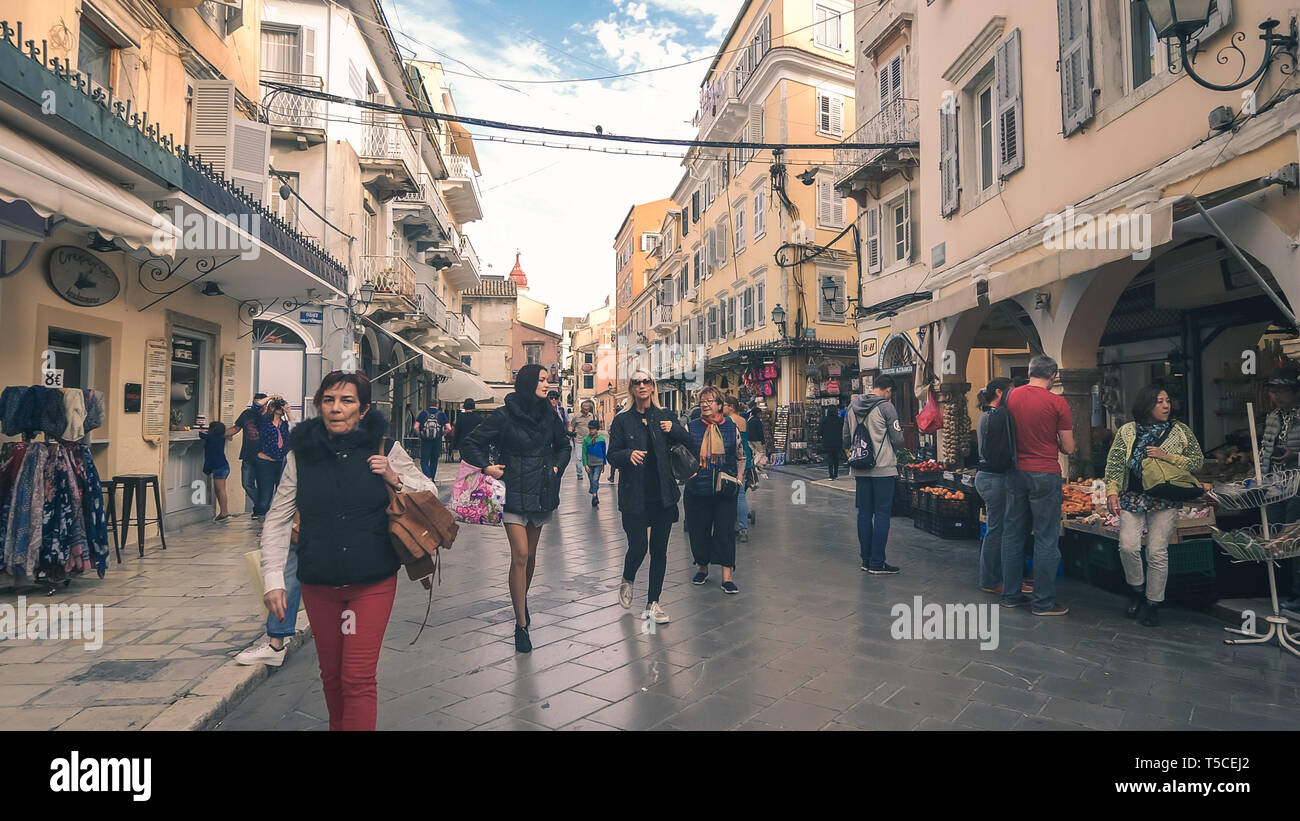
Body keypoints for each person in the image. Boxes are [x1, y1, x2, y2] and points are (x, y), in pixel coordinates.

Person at [258, 371, 432, 730]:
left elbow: (428, 492)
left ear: (364, 409)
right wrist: (273, 578)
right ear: (320, 405)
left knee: (357, 677)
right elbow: (277, 518)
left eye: (347, 400)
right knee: (332, 677)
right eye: (329, 400)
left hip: (372, 581)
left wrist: (394, 478)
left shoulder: (385, 448)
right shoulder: (300, 455)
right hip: (319, 581)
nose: (336, 409)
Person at [461, 364, 571, 653]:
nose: (547, 385)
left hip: (541, 491)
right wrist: (487, 467)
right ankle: (520, 624)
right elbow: (471, 443)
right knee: (520, 554)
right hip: (512, 492)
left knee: (531, 556)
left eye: (548, 380)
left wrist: (556, 468)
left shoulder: (550, 414)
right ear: (526, 383)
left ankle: (521, 601)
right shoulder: (504, 414)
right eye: (541, 380)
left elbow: (564, 445)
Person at [1104, 385, 1204, 627]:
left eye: (1167, 400)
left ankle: (1153, 603)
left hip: (1165, 498)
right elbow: (1115, 462)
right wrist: (1111, 491)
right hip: (1132, 497)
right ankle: (1137, 591)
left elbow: (1197, 462)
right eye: (1159, 401)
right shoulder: (1128, 431)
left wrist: (1166, 456)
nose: (1166, 405)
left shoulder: (1180, 431)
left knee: (1157, 552)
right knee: (1128, 547)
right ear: (1146, 404)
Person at [609, 371, 697, 621]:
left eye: (646, 381)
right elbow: (611, 455)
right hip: (634, 495)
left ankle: (653, 604)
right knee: (638, 547)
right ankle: (628, 578)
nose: (642, 386)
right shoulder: (622, 421)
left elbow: (691, 444)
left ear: (653, 387)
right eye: (637, 382)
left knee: (659, 550)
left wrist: (675, 429)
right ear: (631, 389)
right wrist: (628, 455)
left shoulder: (665, 416)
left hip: (662, 494)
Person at [1001, 355, 1075, 616]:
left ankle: (1010, 595)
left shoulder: (1009, 397)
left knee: (1012, 534)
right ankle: (1042, 602)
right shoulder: (1057, 402)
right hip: (1044, 472)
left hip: (1014, 471)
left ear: (1030, 372)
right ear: (1052, 375)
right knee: (1045, 537)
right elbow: (1068, 446)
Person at [843, 376, 905, 574]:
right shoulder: (886, 407)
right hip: (883, 467)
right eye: (891, 393)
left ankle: (865, 560)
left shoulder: (852, 406)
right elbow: (897, 439)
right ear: (887, 390)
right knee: (882, 514)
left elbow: (845, 438)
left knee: (863, 513)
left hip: (860, 467)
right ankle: (877, 562)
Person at [685, 385, 742, 593]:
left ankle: (727, 576)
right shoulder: (691, 427)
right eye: (702, 401)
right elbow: (682, 454)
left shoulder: (730, 427)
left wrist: (740, 478)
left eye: (710, 401)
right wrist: (688, 475)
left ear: (719, 405)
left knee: (725, 531)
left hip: (725, 488)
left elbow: (740, 455)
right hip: (697, 488)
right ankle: (702, 567)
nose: (705, 404)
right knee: (699, 530)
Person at [1258, 367, 1300, 612]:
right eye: (1273, 392)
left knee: (1294, 537)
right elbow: (1265, 450)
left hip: (1298, 484)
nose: (1276, 397)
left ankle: (1297, 593)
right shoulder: (1274, 417)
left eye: (1281, 392)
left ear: (1295, 392)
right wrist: (1261, 481)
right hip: (1275, 485)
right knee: (1275, 537)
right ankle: (1282, 590)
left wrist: (1295, 455)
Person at [975, 378, 1013, 593]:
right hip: (993, 478)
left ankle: (993, 577)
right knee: (996, 530)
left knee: (996, 529)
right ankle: (990, 579)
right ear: (1000, 392)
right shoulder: (994, 416)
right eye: (1011, 391)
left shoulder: (987, 415)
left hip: (988, 477)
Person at [253, 396, 291, 520]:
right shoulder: (264, 422)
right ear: (272, 408)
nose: (281, 408)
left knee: (283, 495)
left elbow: (296, 430)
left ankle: (276, 523)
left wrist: (288, 411)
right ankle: (262, 525)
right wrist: (271, 397)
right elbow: (256, 406)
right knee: (265, 497)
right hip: (266, 463)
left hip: (281, 463)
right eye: (278, 406)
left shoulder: (284, 424)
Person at [723, 395, 752, 542]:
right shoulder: (744, 421)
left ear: (731, 407)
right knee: (741, 495)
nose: (722, 408)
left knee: (731, 494)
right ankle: (743, 528)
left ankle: (731, 525)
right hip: (746, 459)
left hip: (733, 460)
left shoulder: (728, 421)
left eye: (724, 405)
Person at [232, 394, 267, 513]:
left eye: (260, 404)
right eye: (255, 403)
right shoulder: (246, 414)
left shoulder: (269, 416)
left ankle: (260, 510)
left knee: (264, 486)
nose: (256, 406)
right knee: (246, 484)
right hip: (248, 455)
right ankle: (262, 507)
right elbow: (235, 428)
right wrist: (218, 433)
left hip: (264, 457)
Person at [199, 421, 232, 521]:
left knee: (220, 490)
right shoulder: (220, 438)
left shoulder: (212, 438)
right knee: (218, 490)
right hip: (223, 466)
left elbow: (201, 435)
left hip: (219, 468)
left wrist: (200, 429)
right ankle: (223, 511)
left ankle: (224, 512)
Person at [414, 402, 451, 481]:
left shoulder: (423, 413)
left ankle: (428, 476)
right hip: (437, 441)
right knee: (434, 460)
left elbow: (415, 427)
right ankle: (432, 479)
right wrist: (442, 434)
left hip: (425, 441)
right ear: (437, 405)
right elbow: (449, 428)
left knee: (424, 461)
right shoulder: (441, 414)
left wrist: (420, 435)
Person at [582, 419, 607, 507]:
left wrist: (604, 463)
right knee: (591, 480)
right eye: (590, 429)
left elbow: (604, 452)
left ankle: (594, 496)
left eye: (593, 429)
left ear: (597, 429)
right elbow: (584, 453)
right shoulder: (586, 440)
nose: (591, 431)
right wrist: (585, 464)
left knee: (595, 479)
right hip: (589, 464)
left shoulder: (601, 439)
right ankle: (595, 494)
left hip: (599, 463)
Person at [571, 399, 597, 479]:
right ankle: (579, 474)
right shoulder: (576, 416)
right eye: (585, 406)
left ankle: (590, 472)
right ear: (581, 407)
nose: (586, 408)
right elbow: (572, 426)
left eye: (588, 407)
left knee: (590, 457)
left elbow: (594, 426)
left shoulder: (591, 416)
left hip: (589, 440)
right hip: (579, 440)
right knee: (579, 457)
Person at [819, 408, 844, 480]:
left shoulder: (824, 420)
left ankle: (831, 475)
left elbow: (820, 431)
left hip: (827, 442)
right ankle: (836, 474)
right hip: (837, 441)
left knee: (830, 458)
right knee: (836, 458)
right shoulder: (840, 420)